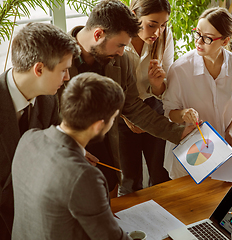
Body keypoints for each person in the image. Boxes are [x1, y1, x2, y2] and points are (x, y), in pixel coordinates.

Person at [66, 0, 193, 194]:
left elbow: (132, 105)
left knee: (112, 195)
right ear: (98, 34)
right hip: (69, 158)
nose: (122, 52)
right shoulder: (57, 57)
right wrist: (70, 146)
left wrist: (177, 132)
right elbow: (44, 122)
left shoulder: (120, 59)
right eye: (119, 45)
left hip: (107, 149)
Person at [12, 72, 130, 240]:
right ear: (98, 126)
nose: (112, 124)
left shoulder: (29, 138)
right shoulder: (84, 176)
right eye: (113, 119)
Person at [0, 22, 80, 239]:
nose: (67, 78)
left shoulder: (48, 101)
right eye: (63, 70)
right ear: (39, 69)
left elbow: (46, 147)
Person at [162, 7, 232, 179]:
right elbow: (169, 112)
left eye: (207, 38)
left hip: (223, 153)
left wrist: (231, 131)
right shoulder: (180, 69)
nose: (199, 41)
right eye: (197, 33)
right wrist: (183, 114)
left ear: (225, 41)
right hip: (189, 156)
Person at [118, 0, 172, 194]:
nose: (158, 32)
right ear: (134, 15)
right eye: (152, 25)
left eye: (163, 25)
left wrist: (157, 84)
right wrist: (126, 117)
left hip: (152, 107)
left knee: (160, 175)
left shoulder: (164, 37)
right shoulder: (119, 37)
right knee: (129, 180)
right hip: (122, 112)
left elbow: (162, 90)